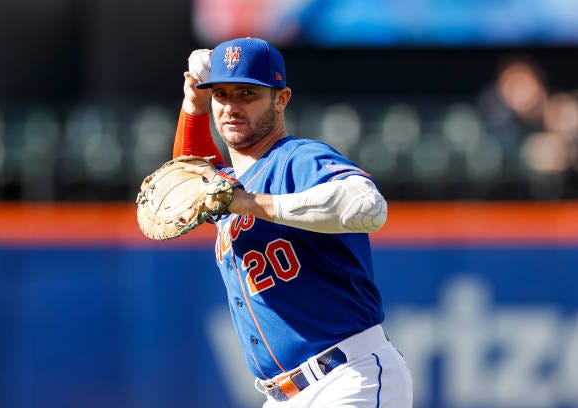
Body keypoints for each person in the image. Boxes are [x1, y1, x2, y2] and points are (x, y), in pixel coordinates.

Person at [172, 37, 413, 407]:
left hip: (348, 378)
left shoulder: (298, 158)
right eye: (221, 95)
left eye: (247, 94)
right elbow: (189, 176)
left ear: (281, 99)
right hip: (283, 396)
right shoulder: (231, 187)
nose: (231, 107)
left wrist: (249, 203)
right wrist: (193, 104)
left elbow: (368, 206)